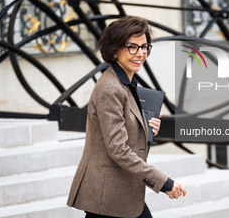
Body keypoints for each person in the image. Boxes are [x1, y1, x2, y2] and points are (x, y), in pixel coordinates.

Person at [67, 16, 186, 218]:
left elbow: (122, 130)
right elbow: (118, 149)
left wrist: (145, 128)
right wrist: (163, 182)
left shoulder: (126, 83)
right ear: (114, 50)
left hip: (118, 192)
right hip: (108, 193)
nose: (140, 53)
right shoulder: (111, 88)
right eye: (132, 47)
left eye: (144, 47)